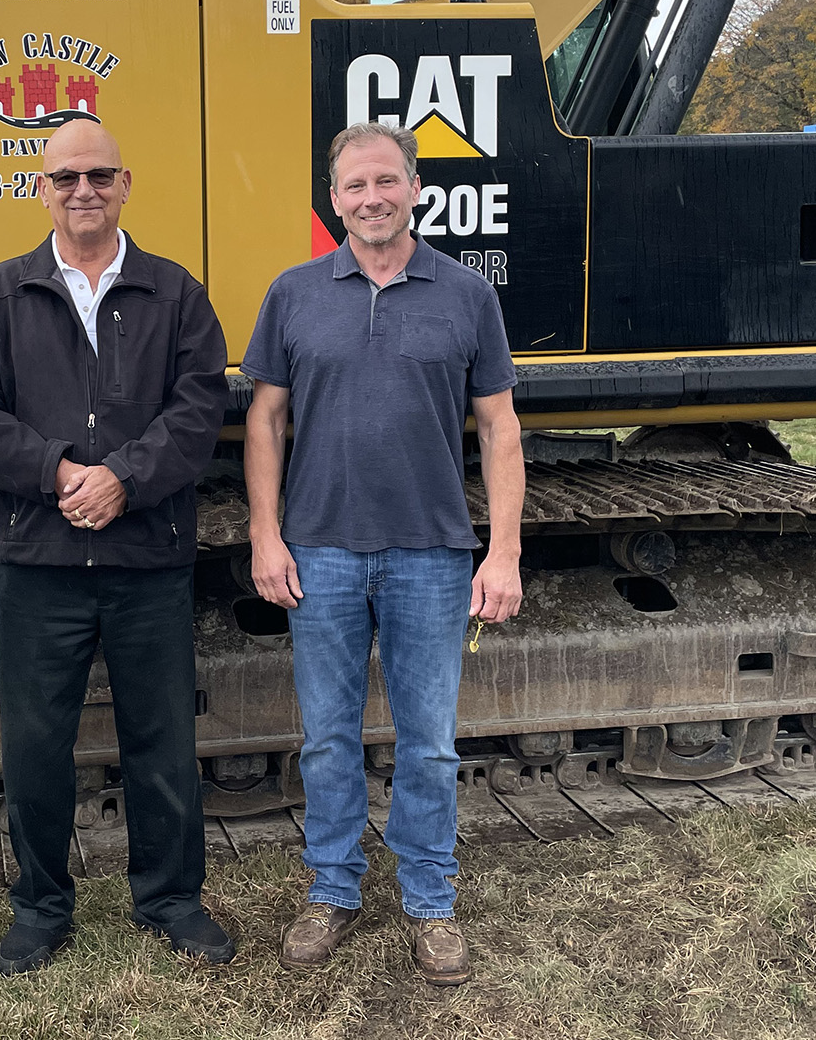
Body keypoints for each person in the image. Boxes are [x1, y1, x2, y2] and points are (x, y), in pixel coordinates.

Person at [0, 118, 233, 972]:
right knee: (35, 744)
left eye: (99, 175)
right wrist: (58, 471)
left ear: (125, 183)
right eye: (65, 176)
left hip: (147, 558)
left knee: (161, 739)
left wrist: (125, 479)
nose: (84, 190)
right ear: (40, 188)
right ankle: (40, 905)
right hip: (39, 562)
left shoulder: (175, 293)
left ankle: (171, 897)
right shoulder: (0, 294)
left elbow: (198, 407)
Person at [243, 121, 525, 987]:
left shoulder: (465, 294)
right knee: (327, 739)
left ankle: (429, 901)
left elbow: (499, 427)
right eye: (353, 186)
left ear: (413, 188)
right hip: (319, 551)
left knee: (430, 743)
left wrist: (502, 549)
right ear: (333, 200)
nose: (370, 198)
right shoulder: (293, 293)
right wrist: (264, 531)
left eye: (385, 182)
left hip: (432, 554)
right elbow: (263, 419)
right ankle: (331, 889)